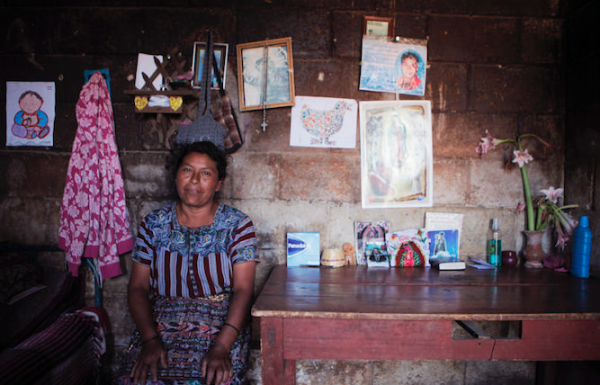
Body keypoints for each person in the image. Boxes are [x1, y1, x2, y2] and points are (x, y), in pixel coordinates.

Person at [116, 141, 259, 385]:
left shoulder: (237, 225)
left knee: (215, 378)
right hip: (160, 324)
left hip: (222, 324)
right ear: (176, 176)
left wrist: (222, 347)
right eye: (187, 170)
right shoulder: (153, 224)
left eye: (205, 173)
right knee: (140, 379)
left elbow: (244, 290)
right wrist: (150, 341)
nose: (194, 180)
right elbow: (138, 287)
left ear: (218, 184)